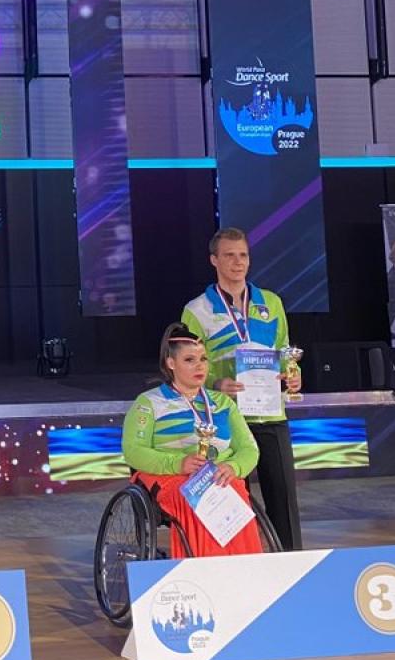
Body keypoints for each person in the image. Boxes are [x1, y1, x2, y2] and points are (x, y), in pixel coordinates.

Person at [181, 227, 303, 550]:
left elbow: (285, 351)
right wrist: (215, 384)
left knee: (283, 502)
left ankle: (292, 569)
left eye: (243, 255)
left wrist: (293, 376)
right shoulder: (197, 310)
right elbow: (186, 366)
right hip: (227, 420)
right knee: (233, 503)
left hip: (270, 416)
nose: (238, 262)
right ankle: (240, 568)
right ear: (214, 260)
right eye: (229, 255)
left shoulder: (271, 303)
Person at [122, 323, 262, 558]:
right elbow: (133, 451)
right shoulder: (148, 403)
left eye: (203, 359)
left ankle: (245, 575)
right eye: (189, 360)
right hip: (168, 477)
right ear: (171, 363)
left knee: (236, 492)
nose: (200, 366)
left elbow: (249, 449)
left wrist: (234, 467)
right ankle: (201, 577)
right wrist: (177, 463)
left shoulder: (223, 403)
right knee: (195, 497)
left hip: (216, 475)